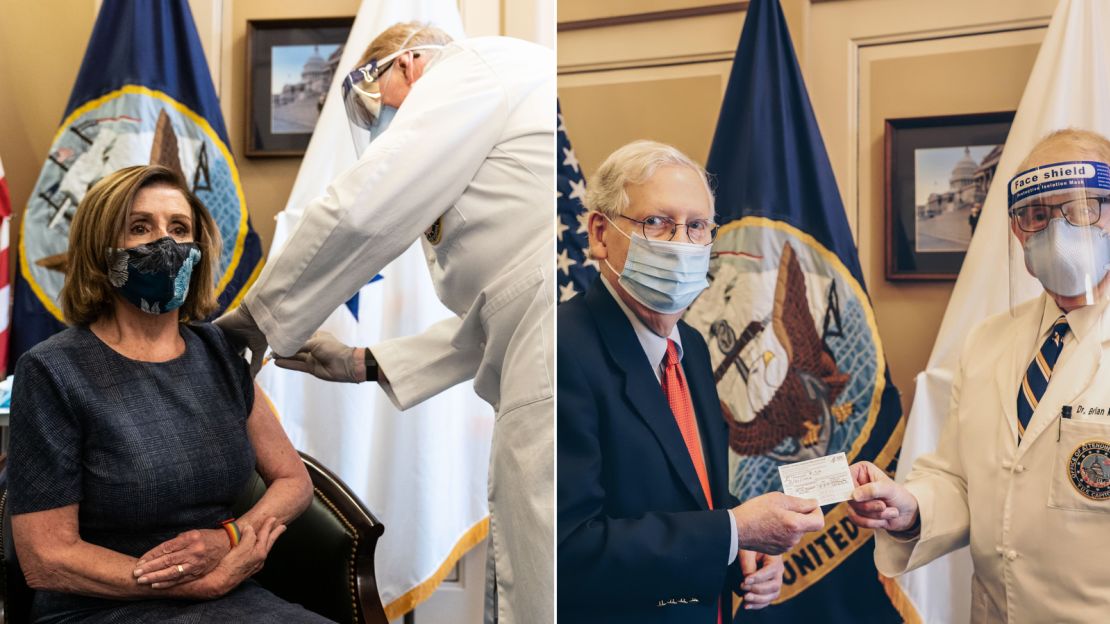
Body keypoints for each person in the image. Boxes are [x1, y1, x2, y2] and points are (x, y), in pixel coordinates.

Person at [214, 22, 554, 624]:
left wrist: (253, 325)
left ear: (410, 63)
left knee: (540, 581)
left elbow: (362, 212)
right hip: (536, 336)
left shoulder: (469, 69)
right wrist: (361, 363)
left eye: (379, 101)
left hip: (549, 349)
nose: (380, 125)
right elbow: (499, 306)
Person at [8, 165, 330, 623]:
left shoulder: (219, 351)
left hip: (229, 594)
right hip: (104, 604)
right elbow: (47, 558)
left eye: (179, 228)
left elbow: (293, 481)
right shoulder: (52, 371)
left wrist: (231, 539)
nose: (166, 243)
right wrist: (190, 582)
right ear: (102, 251)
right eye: (140, 227)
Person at [846, 128, 1110, 622]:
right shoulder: (988, 340)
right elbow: (960, 478)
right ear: (1016, 231)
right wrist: (910, 508)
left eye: (1078, 208)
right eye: (1036, 214)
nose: (1057, 230)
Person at [558, 141, 825, 623]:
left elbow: (691, 492)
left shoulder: (693, 349)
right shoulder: (560, 349)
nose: (682, 243)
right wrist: (732, 531)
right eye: (657, 222)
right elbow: (568, 548)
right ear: (600, 233)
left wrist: (747, 547)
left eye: (697, 226)